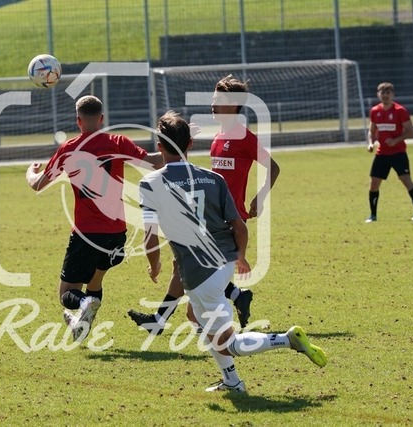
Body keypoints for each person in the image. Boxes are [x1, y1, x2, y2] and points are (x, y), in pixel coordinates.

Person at [139, 111, 326, 392]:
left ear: (159, 146)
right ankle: (232, 381)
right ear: (190, 144)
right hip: (224, 262)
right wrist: (240, 256)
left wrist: (154, 265)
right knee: (194, 316)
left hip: (200, 273)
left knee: (229, 342)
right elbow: (239, 226)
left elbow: (150, 236)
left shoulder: (151, 183)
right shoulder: (213, 178)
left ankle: (288, 339)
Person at [128, 75, 280, 334]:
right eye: (213, 99)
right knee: (185, 266)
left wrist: (260, 196)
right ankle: (232, 300)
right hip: (211, 215)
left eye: (218, 100)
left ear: (233, 105)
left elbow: (273, 167)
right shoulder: (218, 136)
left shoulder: (245, 138)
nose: (212, 104)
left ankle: (171, 321)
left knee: (186, 266)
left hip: (229, 218)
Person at [26, 95, 162, 342]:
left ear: (78, 120)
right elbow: (155, 161)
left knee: (67, 294)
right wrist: (180, 145)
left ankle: (84, 305)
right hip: (117, 233)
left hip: (86, 233)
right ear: (102, 119)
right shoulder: (118, 142)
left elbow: (37, 185)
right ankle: (81, 324)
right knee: (95, 280)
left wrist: (30, 172)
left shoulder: (68, 149)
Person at [366, 82, 413, 223]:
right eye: (383, 93)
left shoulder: (400, 111)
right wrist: (371, 143)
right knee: (374, 183)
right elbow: (372, 131)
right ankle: (373, 216)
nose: (385, 96)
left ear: (392, 95)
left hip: (398, 153)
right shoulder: (375, 111)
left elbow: (410, 131)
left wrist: (396, 140)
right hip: (382, 154)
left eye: (388, 93)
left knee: (406, 180)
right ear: (378, 95)